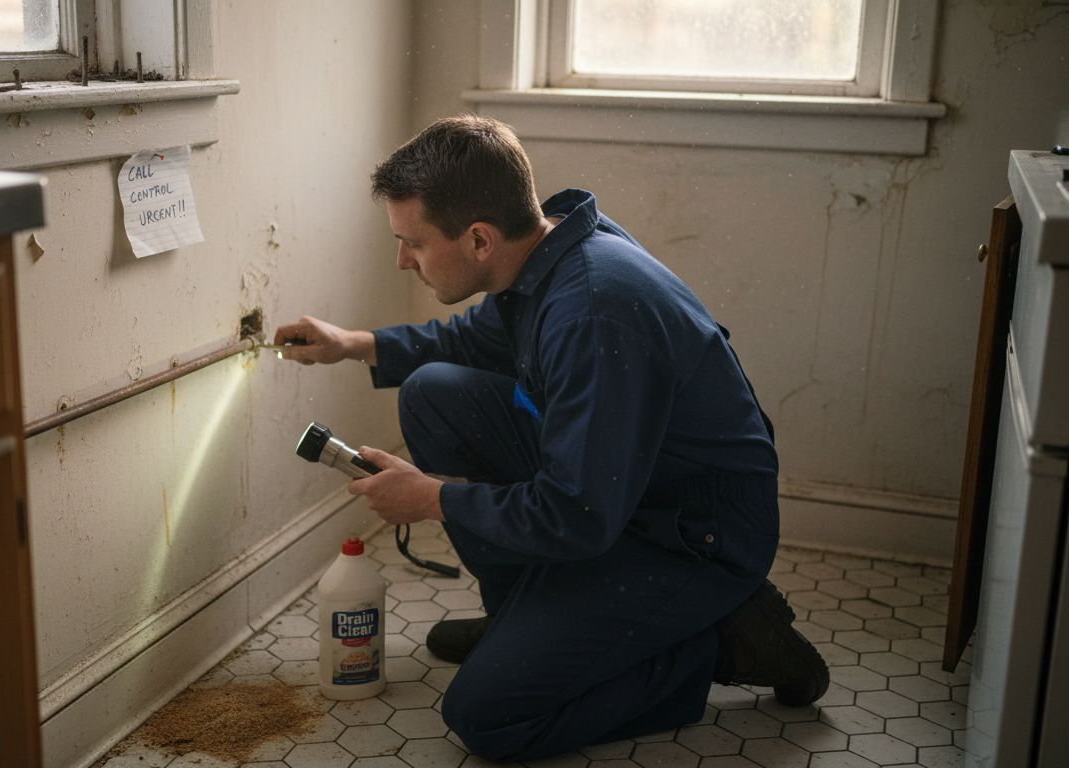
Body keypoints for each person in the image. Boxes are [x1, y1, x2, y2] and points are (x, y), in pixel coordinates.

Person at [273, 115, 828, 762]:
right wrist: (352, 345)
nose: (403, 260)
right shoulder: (545, 253)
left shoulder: (592, 310)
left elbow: (578, 511)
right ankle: (522, 620)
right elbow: (471, 341)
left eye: (413, 243)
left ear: (479, 238)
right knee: (434, 393)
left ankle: (725, 644)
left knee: (487, 716)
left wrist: (431, 501)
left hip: (693, 536)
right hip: (631, 486)